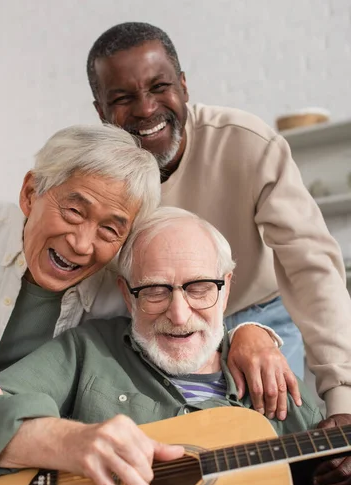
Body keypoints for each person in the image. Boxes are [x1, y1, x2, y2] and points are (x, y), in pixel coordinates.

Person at [0, 206, 349, 485]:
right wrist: (64, 440)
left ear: (225, 287)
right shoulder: (89, 349)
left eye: (198, 288)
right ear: (126, 294)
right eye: (155, 290)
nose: (178, 314)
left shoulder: (272, 381)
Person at [0, 124, 299, 449]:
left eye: (110, 229)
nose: (83, 244)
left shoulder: (121, 291)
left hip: (14, 456)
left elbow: (185, 315)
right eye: (73, 211)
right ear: (30, 193)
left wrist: (246, 332)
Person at [84, 21, 351, 420]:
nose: (145, 109)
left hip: (260, 311)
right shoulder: (95, 175)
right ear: (101, 111)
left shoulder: (247, 143)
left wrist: (343, 397)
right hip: (162, 321)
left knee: (274, 426)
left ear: (184, 86)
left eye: (160, 87)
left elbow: (312, 268)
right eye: (123, 97)